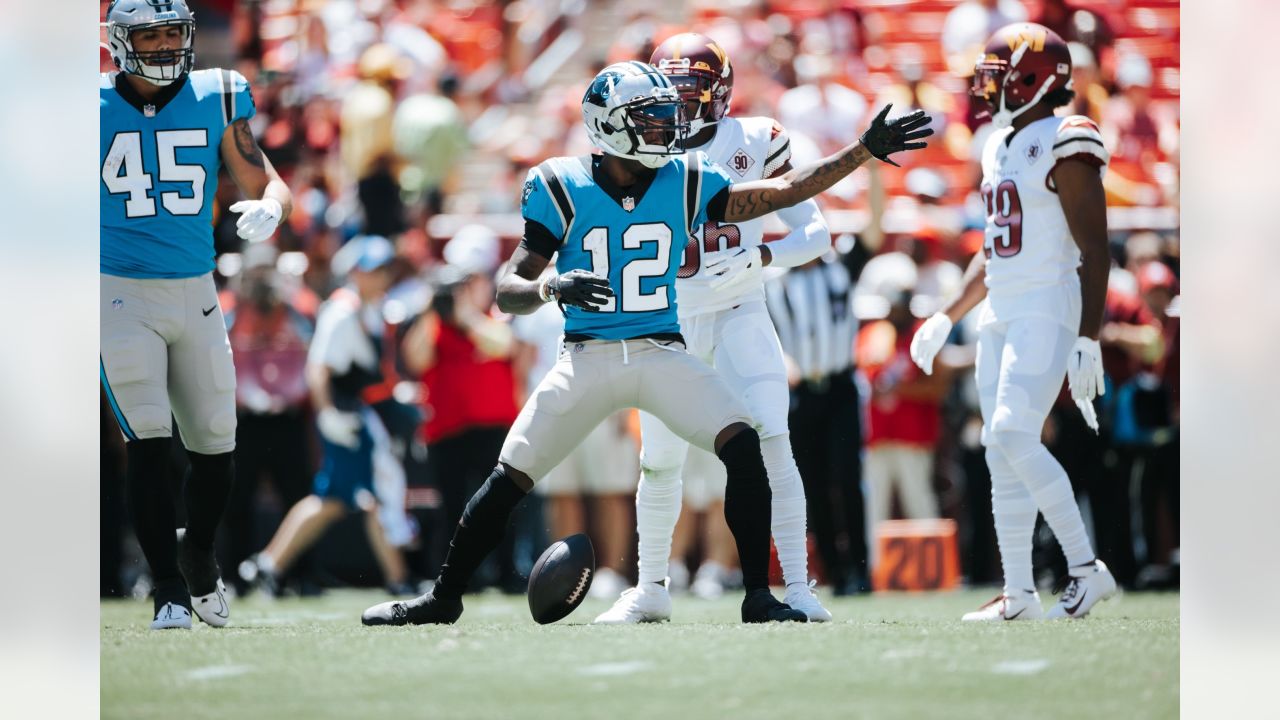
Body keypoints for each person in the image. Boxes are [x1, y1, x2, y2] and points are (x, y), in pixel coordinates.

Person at [361, 60, 932, 626]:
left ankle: (759, 594)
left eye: (665, 116)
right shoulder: (561, 183)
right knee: (509, 476)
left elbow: (782, 192)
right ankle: (443, 598)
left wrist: (861, 151)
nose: (668, 127)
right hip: (586, 357)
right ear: (608, 125)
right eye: (652, 118)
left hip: (661, 351)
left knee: (744, 444)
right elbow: (509, 289)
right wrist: (551, 286)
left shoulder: (686, 177)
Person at [594, 32, 835, 625]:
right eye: (668, 91)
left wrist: (764, 258)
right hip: (666, 323)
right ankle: (651, 587)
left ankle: (798, 587)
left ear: (721, 93)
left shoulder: (756, 139)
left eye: (691, 90)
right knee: (659, 459)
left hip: (738, 311)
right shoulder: (638, 148)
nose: (678, 104)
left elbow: (819, 234)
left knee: (773, 438)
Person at [910, 23, 1117, 621]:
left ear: (1033, 78)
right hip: (1002, 306)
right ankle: (1019, 593)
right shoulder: (998, 145)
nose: (987, 87)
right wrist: (947, 316)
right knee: (999, 452)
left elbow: (1095, 246)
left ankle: (1085, 568)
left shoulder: (1066, 136)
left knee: (1010, 434)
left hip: (1047, 306)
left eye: (998, 74)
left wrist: (1088, 334)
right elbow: (995, 248)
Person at [100, 0, 293, 630]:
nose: (162, 47)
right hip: (117, 290)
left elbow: (265, 178)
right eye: (148, 35)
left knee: (216, 443)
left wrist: (272, 207)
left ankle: (199, 553)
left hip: (196, 287)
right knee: (149, 439)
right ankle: (166, 592)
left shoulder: (218, 95)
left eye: (171, 34)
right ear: (120, 42)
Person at [238, 236, 409, 597]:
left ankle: (267, 564)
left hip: (356, 413)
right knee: (368, 495)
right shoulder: (341, 311)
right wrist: (329, 413)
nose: (380, 277)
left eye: (383, 269)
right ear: (356, 273)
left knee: (332, 502)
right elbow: (319, 369)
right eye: (372, 269)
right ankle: (399, 579)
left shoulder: (370, 309)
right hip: (344, 416)